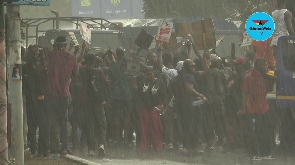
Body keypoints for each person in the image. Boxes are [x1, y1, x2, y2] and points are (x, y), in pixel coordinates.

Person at [45, 36, 79, 155]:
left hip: (50, 92)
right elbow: (76, 73)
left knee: (48, 120)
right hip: (64, 93)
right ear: (65, 44)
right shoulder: (71, 57)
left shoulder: (50, 55)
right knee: (63, 120)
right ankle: (64, 147)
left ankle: (46, 148)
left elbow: (44, 68)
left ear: (55, 44)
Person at [239, 58, 275, 161]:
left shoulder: (266, 76)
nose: (265, 67)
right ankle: (254, 153)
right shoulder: (248, 77)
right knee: (254, 133)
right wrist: (243, 108)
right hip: (253, 109)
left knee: (265, 131)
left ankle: (265, 152)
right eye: (263, 65)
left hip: (264, 108)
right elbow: (244, 93)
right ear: (258, 65)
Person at [79, 53, 108, 156]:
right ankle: (101, 145)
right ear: (94, 61)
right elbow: (105, 82)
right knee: (101, 125)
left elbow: (77, 64)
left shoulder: (82, 70)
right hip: (98, 102)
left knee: (89, 126)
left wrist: (83, 54)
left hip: (86, 102)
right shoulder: (99, 71)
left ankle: (91, 150)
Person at [23, 45, 47, 157]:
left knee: (33, 124)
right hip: (39, 100)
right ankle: (41, 148)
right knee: (41, 123)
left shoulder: (27, 68)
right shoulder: (41, 69)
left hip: (32, 99)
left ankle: (35, 148)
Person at [138, 66, 166, 153]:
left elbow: (164, 96)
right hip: (145, 107)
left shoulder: (160, 82)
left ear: (154, 73)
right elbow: (139, 94)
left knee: (156, 127)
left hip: (155, 107)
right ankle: (145, 145)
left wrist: (160, 107)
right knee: (145, 127)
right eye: (147, 74)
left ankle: (157, 145)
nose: (149, 76)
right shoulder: (143, 82)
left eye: (151, 74)